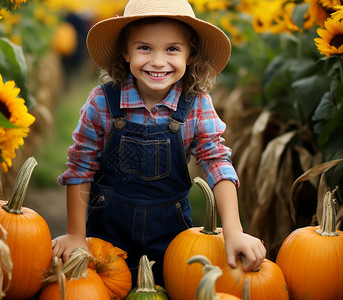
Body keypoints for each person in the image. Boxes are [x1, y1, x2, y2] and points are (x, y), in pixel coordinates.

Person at [52, 0, 266, 287]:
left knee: (174, 290)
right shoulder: (102, 102)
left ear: (190, 54)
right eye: (144, 48)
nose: (158, 61)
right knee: (99, 290)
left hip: (172, 239)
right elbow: (80, 166)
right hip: (106, 238)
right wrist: (76, 234)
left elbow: (217, 163)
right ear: (125, 52)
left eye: (172, 49)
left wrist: (234, 231)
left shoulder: (196, 105)